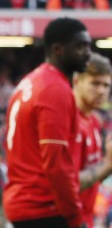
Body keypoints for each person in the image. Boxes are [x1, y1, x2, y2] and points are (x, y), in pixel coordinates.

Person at [4, 17, 91, 228]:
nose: (88, 53)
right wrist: (74, 216)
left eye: (88, 46)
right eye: (80, 47)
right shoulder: (54, 89)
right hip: (44, 209)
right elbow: (56, 163)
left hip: (23, 204)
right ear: (58, 50)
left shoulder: (30, 82)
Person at [73, 53, 112, 228]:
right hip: (64, 219)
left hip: (85, 217)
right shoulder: (67, 122)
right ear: (76, 81)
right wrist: (108, 164)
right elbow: (67, 183)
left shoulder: (95, 121)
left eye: (106, 85)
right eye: (95, 83)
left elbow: (93, 173)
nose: (102, 91)